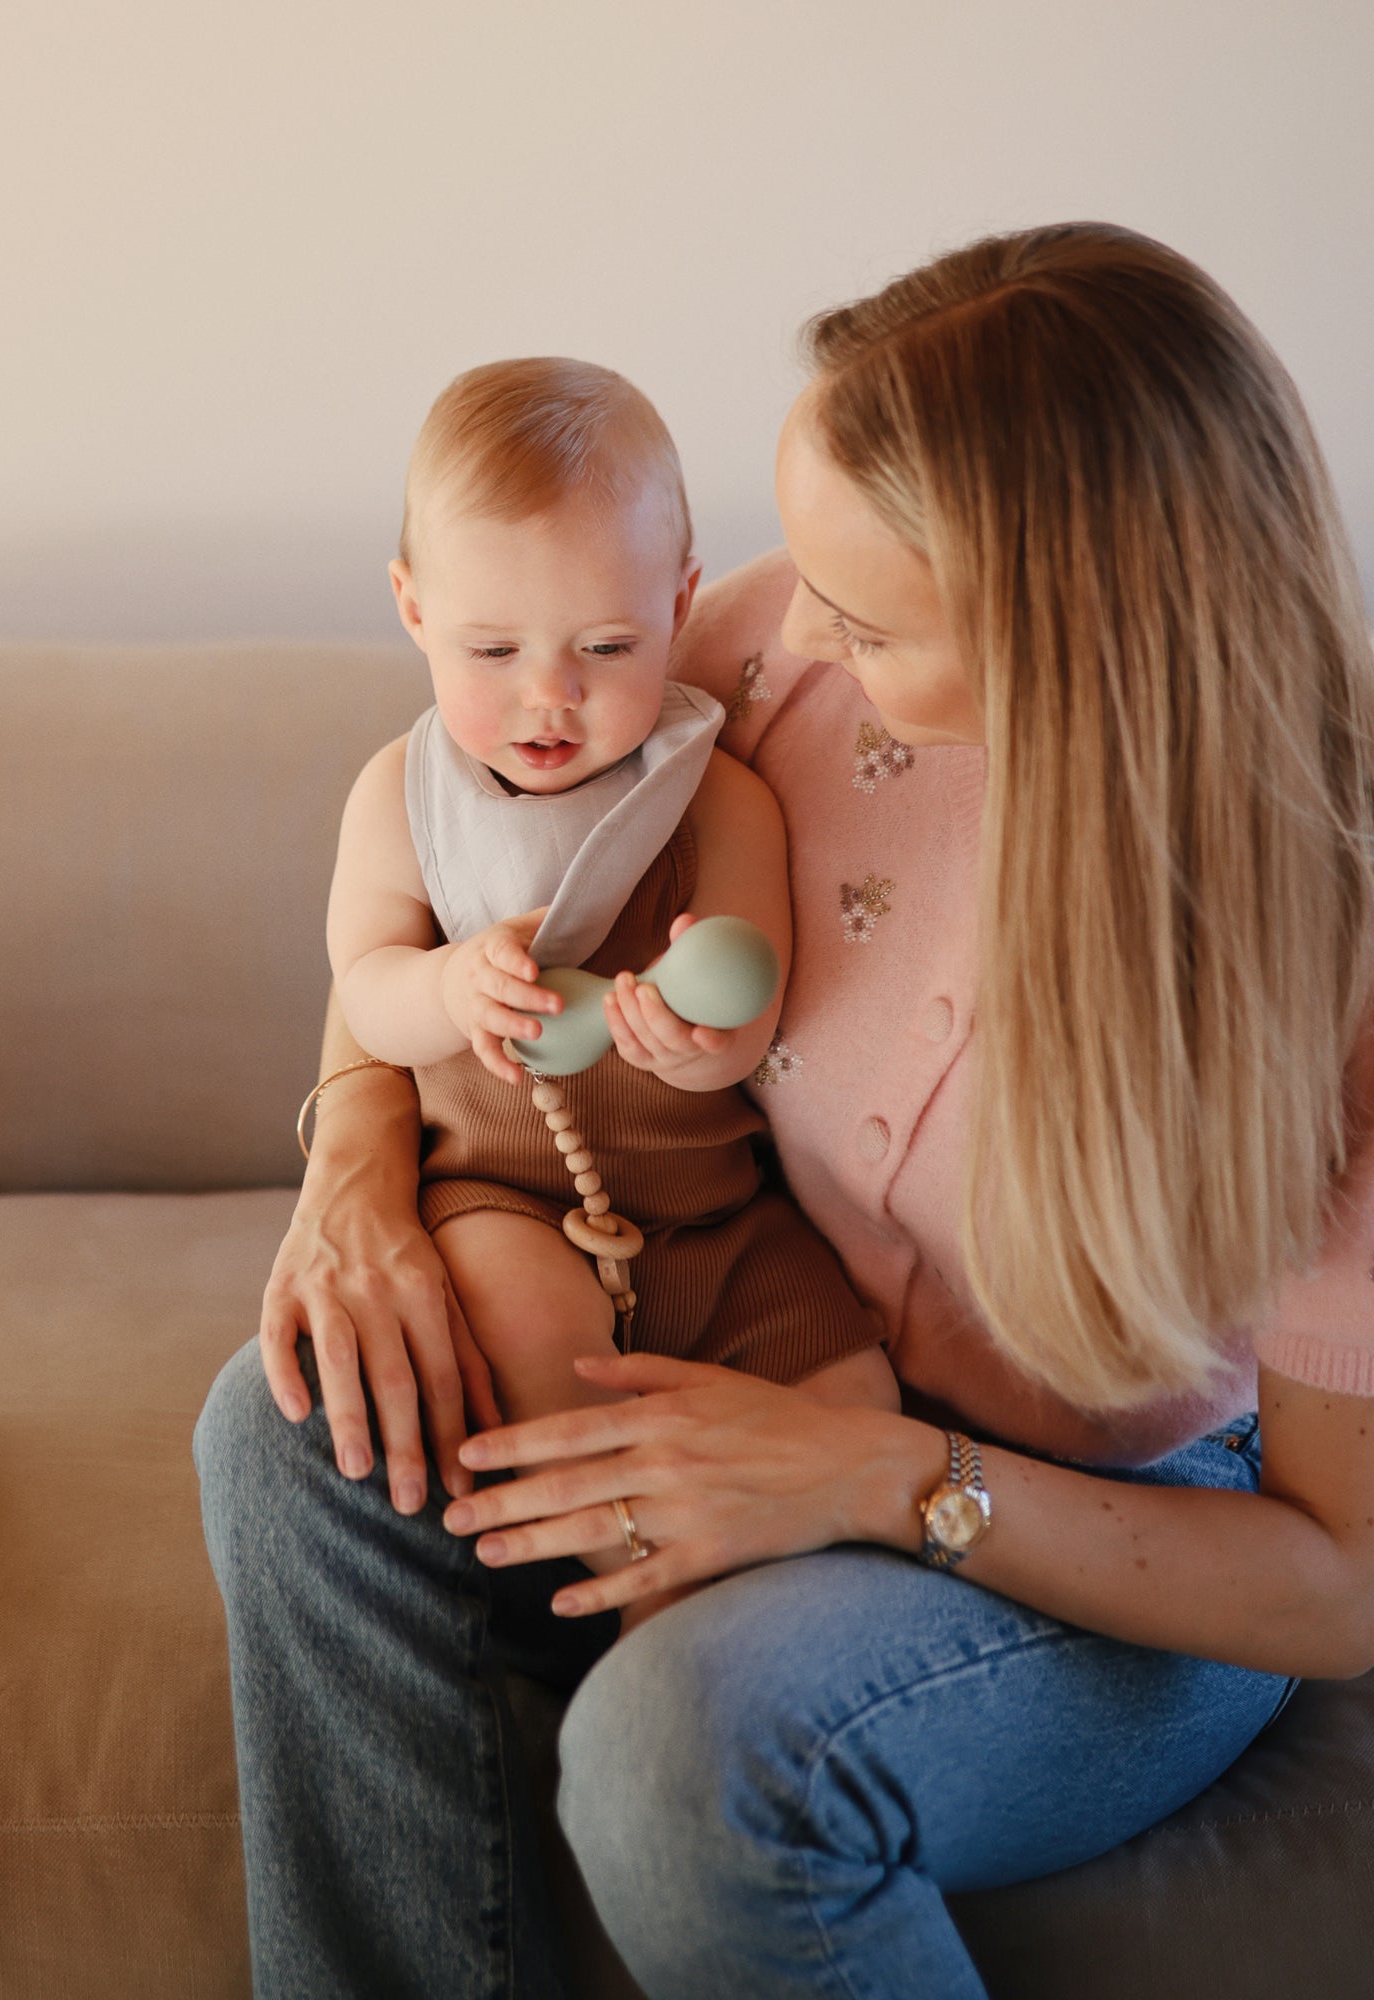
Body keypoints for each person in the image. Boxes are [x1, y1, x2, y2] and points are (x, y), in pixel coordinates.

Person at [195, 221, 1374, 1999]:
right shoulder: (757, 661)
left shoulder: (1329, 948)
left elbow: (1338, 1579)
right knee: (291, 1422)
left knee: (694, 1747)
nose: (779, 628)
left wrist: (886, 1479)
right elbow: (450, 906)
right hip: (765, 1361)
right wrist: (354, 1164)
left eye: (865, 614)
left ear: (1067, 638)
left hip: (1130, 1542)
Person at [324, 359, 896, 1590]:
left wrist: (697, 1040)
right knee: (545, 1364)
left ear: (678, 602)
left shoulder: (718, 793)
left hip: (720, 1217)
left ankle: (791, 1588)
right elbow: (364, 986)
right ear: (411, 606)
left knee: (858, 1395)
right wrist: (445, 989)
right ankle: (643, 1582)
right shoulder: (400, 797)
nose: (551, 693)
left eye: (605, 642)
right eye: (491, 646)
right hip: (502, 1199)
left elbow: (747, 999)